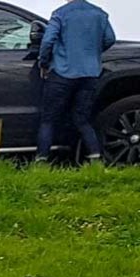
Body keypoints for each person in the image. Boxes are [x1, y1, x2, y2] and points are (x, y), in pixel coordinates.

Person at [37, 0, 118, 162]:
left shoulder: (61, 13)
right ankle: (95, 158)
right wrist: (93, 53)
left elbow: (47, 41)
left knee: (48, 119)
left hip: (62, 73)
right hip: (90, 74)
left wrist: (44, 62)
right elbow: (110, 39)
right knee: (81, 119)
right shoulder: (99, 13)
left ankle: (42, 160)